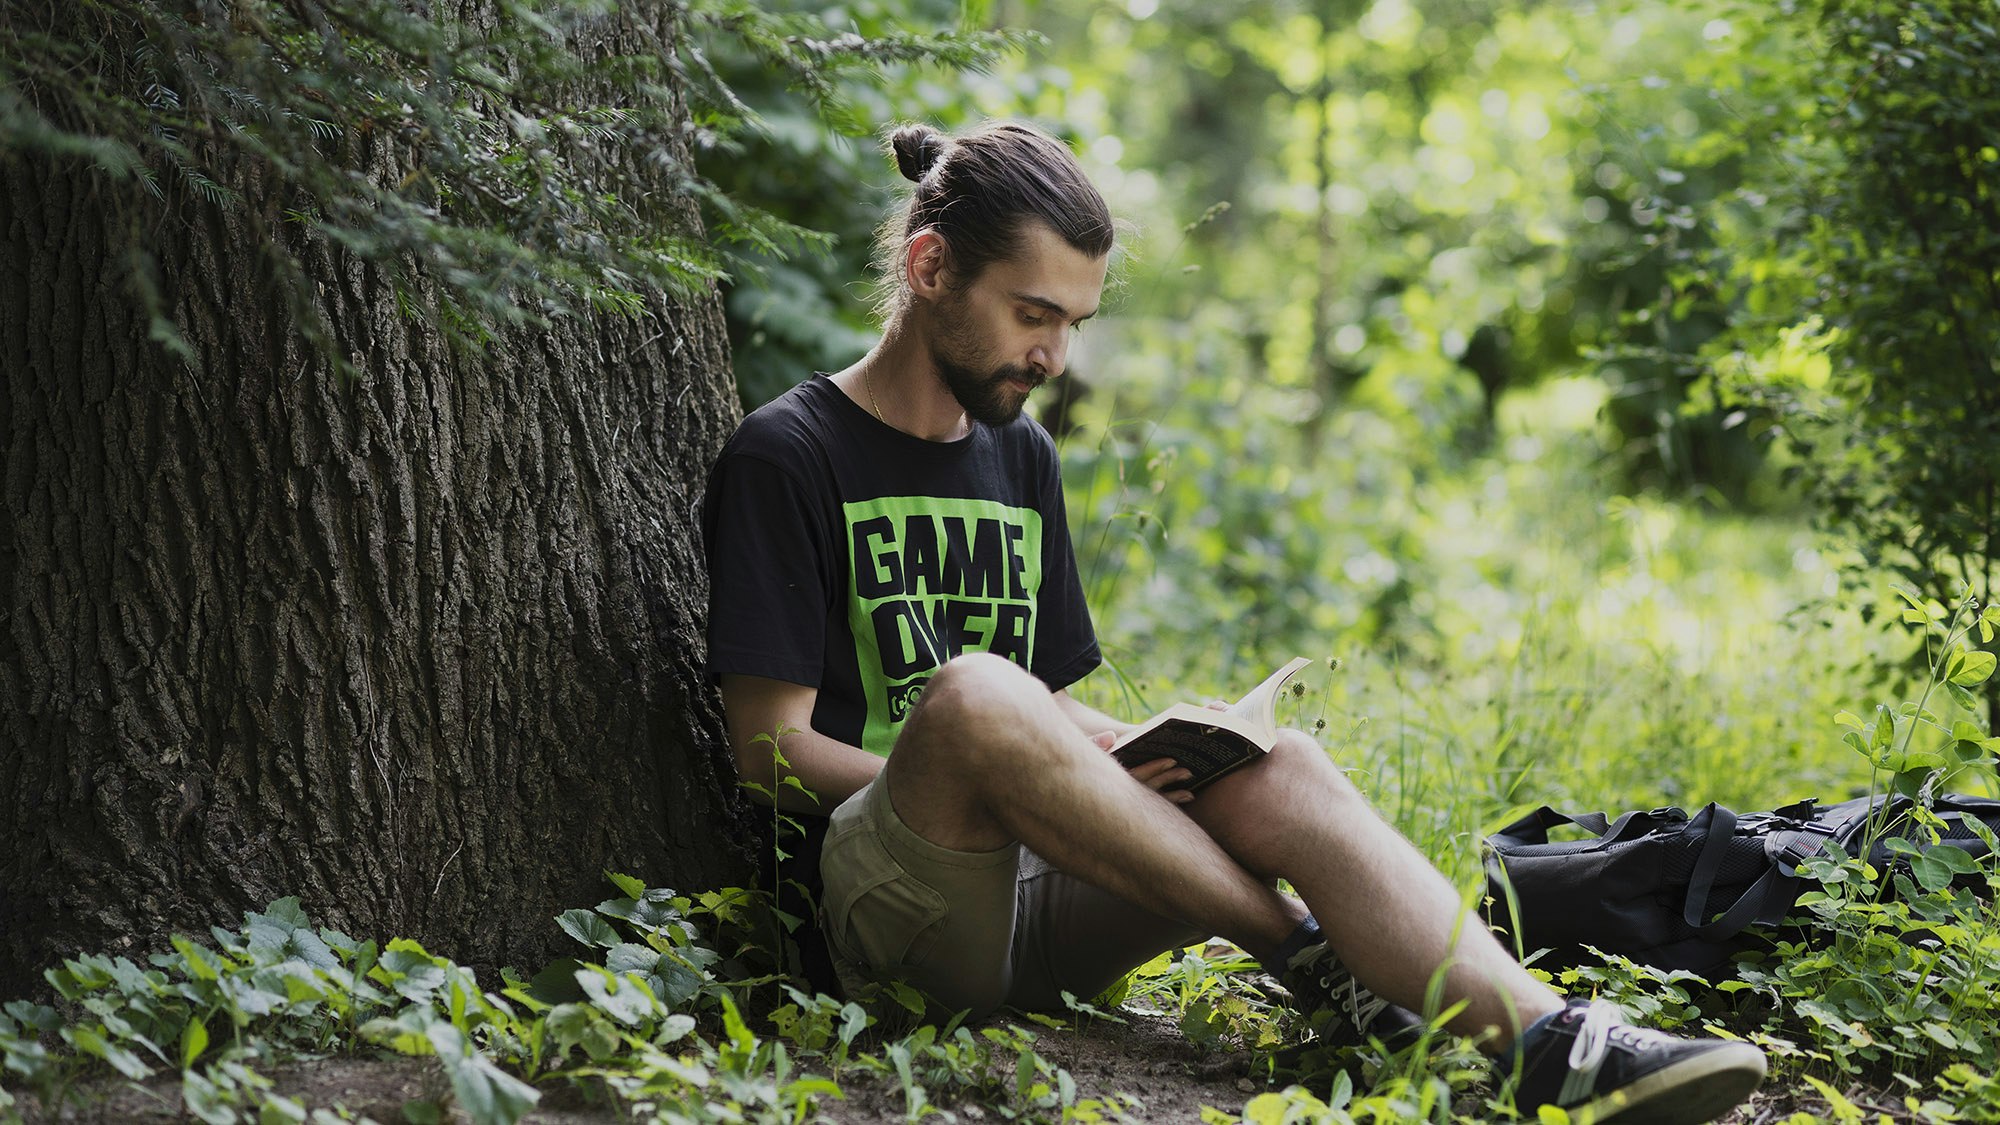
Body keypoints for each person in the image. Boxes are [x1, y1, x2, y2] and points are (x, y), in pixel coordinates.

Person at [701, 118, 1767, 1123]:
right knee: (976, 692)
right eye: (1032, 315)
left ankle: (1553, 1043)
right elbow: (769, 754)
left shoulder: (1017, 455)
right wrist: (1005, 770)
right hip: (887, 914)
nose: (1054, 359)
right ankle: (1309, 952)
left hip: (1029, 903)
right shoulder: (788, 455)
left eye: (1072, 324)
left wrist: (1135, 753)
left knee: (1275, 762)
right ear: (930, 270)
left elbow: (1046, 714)